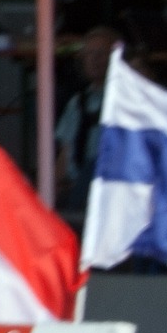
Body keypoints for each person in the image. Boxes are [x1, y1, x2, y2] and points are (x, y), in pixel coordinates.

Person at [54, 26, 120, 211]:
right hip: (74, 187)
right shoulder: (77, 102)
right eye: (89, 54)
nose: (94, 59)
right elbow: (65, 154)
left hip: (108, 187)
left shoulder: (124, 101)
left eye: (101, 53)